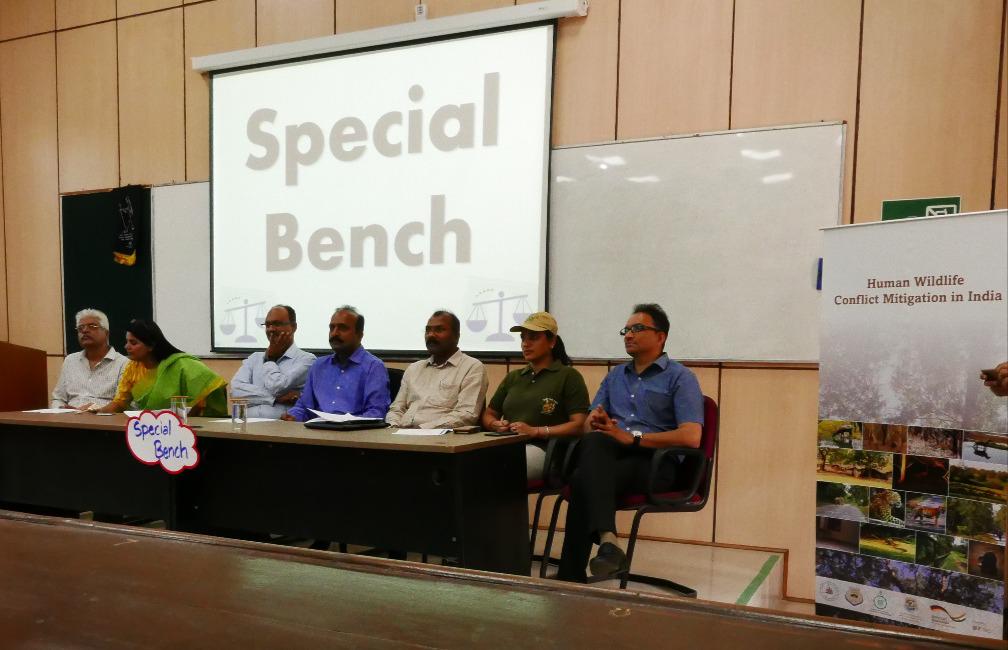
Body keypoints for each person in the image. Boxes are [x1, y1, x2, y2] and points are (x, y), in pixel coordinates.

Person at [556, 304, 704, 582]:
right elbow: (588, 426)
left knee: (581, 479)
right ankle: (607, 541)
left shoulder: (681, 377)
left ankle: (570, 577)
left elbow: (691, 436)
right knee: (594, 442)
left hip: (657, 462)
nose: (629, 335)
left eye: (637, 329)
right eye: (626, 330)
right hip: (613, 456)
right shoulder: (615, 376)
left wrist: (634, 438)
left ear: (661, 336)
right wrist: (595, 420)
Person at [482, 312, 589, 480]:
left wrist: (536, 431)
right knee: (471, 465)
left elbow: (579, 425)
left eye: (533, 338)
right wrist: (495, 424)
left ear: (552, 342)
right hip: (507, 445)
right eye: (523, 338)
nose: (526, 343)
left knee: (496, 470)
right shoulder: (514, 377)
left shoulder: (568, 376)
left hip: (547, 451)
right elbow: (489, 414)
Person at [96, 319, 228, 416]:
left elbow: (210, 386)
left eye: (133, 343)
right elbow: (120, 402)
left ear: (151, 345)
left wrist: (183, 419)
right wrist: (97, 413)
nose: (126, 347)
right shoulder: (133, 368)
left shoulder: (182, 364)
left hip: (186, 427)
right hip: (148, 428)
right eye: (127, 342)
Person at [282, 306, 390, 422]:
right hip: (317, 430)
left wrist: (345, 424)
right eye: (332, 328)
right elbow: (303, 407)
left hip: (354, 431)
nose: (334, 333)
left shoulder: (373, 367)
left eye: (342, 328)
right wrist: (293, 416)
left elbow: (376, 413)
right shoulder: (319, 366)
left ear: (359, 335)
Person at [385, 310, 488, 429]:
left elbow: (466, 415)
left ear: (457, 336)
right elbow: (396, 409)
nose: (431, 335)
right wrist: (392, 426)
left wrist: (422, 429)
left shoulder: (472, 367)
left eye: (439, 330)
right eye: (428, 330)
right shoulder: (414, 369)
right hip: (402, 433)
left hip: (441, 436)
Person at [230, 305, 316, 419]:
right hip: (246, 425)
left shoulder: (306, 360)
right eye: (268, 325)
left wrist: (270, 359)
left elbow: (277, 387)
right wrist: (275, 398)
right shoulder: (254, 358)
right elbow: (235, 391)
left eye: (277, 324)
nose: (271, 329)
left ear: (293, 327)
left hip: (280, 426)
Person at [51, 308, 128, 410]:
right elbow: (58, 398)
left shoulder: (123, 363)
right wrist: (60, 409)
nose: (85, 330)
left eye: (92, 326)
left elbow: (123, 404)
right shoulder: (70, 360)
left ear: (106, 333)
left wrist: (93, 410)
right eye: (80, 328)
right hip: (70, 417)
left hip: (103, 417)